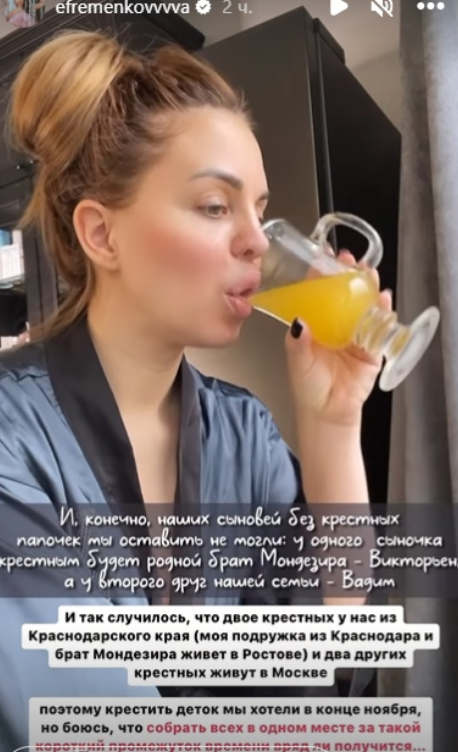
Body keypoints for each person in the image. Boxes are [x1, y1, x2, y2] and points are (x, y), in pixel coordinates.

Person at [0, 30, 392, 749]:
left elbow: (331, 639)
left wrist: (334, 426)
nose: (259, 242)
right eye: (215, 206)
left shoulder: (244, 431)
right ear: (101, 235)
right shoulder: (11, 435)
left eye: (260, 211)